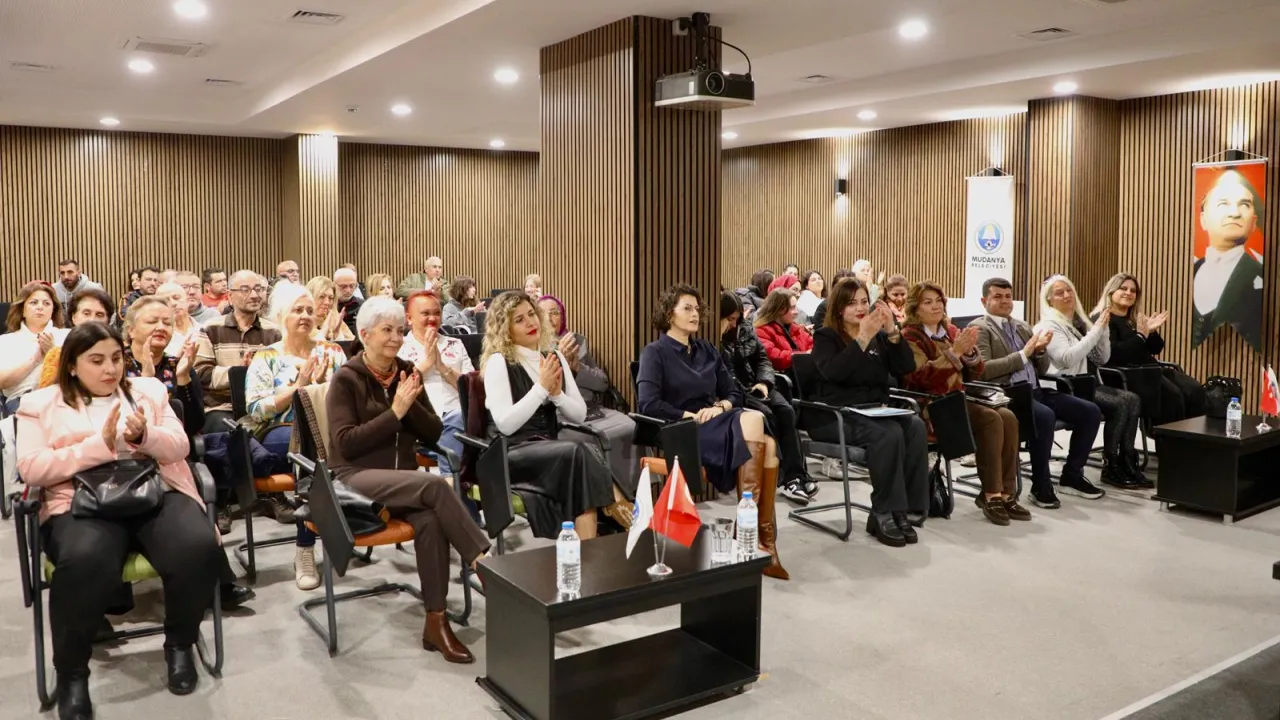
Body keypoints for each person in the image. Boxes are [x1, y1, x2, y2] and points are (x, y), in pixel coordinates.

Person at [16, 323, 223, 716]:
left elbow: (180, 446)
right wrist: (99, 446)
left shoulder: (149, 391)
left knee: (197, 546)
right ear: (72, 365)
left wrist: (145, 437)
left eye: (115, 358)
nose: (109, 369)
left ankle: (180, 644)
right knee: (84, 559)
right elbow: (32, 468)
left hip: (156, 491)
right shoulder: (39, 404)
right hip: (79, 503)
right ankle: (73, 674)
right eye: (96, 360)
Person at [327, 297, 491, 664]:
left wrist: (409, 404)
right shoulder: (346, 378)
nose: (396, 338)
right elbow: (345, 444)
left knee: (430, 520)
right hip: (353, 480)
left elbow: (433, 432)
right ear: (364, 334)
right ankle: (484, 564)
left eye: (400, 330)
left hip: (399, 481)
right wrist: (395, 411)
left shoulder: (405, 372)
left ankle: (436, 621)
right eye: (387, 330)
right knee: (434, 485)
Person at [637, 284, 788, 579]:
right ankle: (755, 539)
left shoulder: (706, 349)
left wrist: (719, 407)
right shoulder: (654, 353)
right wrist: (691, 416)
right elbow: (648, 404)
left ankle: (757, 537)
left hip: (716, 420)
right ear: (669, 314)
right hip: (681, 428)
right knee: (756, 423)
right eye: (687, 308)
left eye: (697, 309)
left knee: (767, 442)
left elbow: (733, 392)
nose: (695, 314)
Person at [481, 292, 626, 540]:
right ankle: (616, 504)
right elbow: (505, 425)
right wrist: (541, 388)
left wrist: (557, 395)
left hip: (549, 449)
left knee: (580, 459)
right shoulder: (498, 362)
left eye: (531, 314)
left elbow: (579, 415)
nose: (530, 322)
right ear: (505, 330)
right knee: (577, 452)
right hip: (509, 452)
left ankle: (585, 552)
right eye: (519, 320)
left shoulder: (554, 356)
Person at [809, 278, 928, 546]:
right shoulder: (826, 337)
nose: (861, 308)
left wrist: (893, 331)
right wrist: (862, 337)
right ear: (839, 308)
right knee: (888, 434)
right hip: (835, 414)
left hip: (874, 411)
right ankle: (883, 511)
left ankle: (903, 509)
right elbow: (835, 373)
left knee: (915, 427)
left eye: (864, 301)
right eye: (852, 303)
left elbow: (905, 368)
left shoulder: (880, 337)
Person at [901, 281, 1030, 526]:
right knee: (990, 418)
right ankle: (990, 494)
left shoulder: (950, 330)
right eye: (928, 302)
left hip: (958, 400)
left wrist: (970, 354)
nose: (936, 306)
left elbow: (975, 373)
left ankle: (1007, 493)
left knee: (1009, 416)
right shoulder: (910, 336)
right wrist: (955, 353)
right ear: (915, 308)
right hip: (932, 405)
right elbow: (921, 378)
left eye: (939, 301)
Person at [245, 282, 346, 591]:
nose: (305, 316)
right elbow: (256, 409)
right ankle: (305, 548)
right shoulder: (267, 356)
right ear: (281, 316)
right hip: (279, 434)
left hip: (326, 431)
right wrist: (299, 388)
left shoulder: (333, 352)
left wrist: (322, 389)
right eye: (297, 310)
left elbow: (348, 400)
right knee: (310, 449)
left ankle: (344, 526)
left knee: (324, 446)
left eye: (309, 310)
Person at [969, 278, 1103, 509]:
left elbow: (1041, 369)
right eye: (998, 297)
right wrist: (1024, 354)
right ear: (984, 301)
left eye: (1008, 296)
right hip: (1009, 395)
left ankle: (1072, 475)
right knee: (1044, 417)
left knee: (1090, 411)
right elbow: (985, 370)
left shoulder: (1021, 326)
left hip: (1036, 390)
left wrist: (1039, 352)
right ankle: (1041, 485)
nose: (1005, 301)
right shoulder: (980, 328)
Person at [1034, 275, 1147, 491]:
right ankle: (1111, 464)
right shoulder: (1049, 325)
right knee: (1122, 403)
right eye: (1059, 293)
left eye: (1069, 290)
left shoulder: (1077, 322)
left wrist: (1103, 331)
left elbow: (1101, 358)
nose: (1067, 295)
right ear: (1049, 299)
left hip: (1083, 385)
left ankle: (1126, 461)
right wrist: (1095, 331)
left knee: (1133, 399)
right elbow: (1067, 358)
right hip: (1064, 388)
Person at [538, 294, 639, 505]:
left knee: (633, 427)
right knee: (590, 440)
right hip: (560, 415)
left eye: (555, 313)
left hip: (593, 409)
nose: (550, 318)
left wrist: (577, 367)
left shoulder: (576, 341)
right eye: (543, 314)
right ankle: (605, 501)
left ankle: (634, 495)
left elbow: (602, 382)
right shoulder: (533, 348)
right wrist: (560, 362)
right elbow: (544, 396)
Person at [720, 292, 817, 503]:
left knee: (786, 411)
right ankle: (788, 478)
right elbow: (725, 375)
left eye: (737, 318)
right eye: (729, 318)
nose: (734, 323)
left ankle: (797, 476)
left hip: (758, 385)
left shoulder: (746, 329)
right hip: (736, 391)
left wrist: (764, 382)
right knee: (768, 416)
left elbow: (763, 359)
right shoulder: (715, 338)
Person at [1093, 273, 1207, 424]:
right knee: (1173, 396)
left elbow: (1156, 349)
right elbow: (1115, 353)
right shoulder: (1103, 318)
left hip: (1151, 370)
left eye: (1133, 291)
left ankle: (1191, 435)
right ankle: (1166, 437)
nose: (1128, 293)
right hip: (1126, 374)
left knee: (1194, 390)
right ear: (1111, 291)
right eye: (1123, 288)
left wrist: (1151, 332)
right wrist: (1141, 335)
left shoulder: (1134, 319)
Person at [193, 269, 283, 437]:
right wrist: (239, 371)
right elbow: (201, 374)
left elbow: (282, 373)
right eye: (245, 290)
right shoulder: (211, 328)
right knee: (233, 433)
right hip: (221, 408)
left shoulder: (274, 332)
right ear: (230, 295)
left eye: (258, 289)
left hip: (263, 407)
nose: (254, 295)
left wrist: (260, 369)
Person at [398, 290, 472, 478]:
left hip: (458, 418)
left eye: (437, 313)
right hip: (421, 421)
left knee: (457, 419)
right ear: (409, 318)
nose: (432, 318)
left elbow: (470, 388)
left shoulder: (455, 344)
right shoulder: (399, 347)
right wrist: (428, 363)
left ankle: (450, 479)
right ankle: (453, 480)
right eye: (425, 313)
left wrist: (441, 366)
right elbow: (398, 387)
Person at [1192, 169, 1264, 349]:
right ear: (1203, 219)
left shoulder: (1261, 277)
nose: (1234, 213)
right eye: (1223, 204)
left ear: (1254, 222)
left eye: (1244, 205)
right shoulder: (1191, 271)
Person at [122, 296, 204, 437]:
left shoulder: (178, 365)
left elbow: (193, 427)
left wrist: (183, 378)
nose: (161, 327)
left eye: (167, 323)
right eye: (152, 321)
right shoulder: (116, 364)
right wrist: (146, 381)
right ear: (131, 330)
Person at [0, 282, 70, 412]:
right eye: (34, 302)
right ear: (22, 310)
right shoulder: (6, 341)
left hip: (61, 399)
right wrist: (35, 361)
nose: (40, 307)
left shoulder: (67, 336)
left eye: (46, 303)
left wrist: (52, 353)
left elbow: (76, 376)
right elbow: (2, 382)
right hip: (21, 402)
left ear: (53, 310)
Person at [39, 288, 117, 390]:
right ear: (74, 317)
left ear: (108, 321)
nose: (92, 320)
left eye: (99, 315)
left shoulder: (114, 346)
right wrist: (53, 354)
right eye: (86, 313)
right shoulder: (56, 337)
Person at [753, 289, 813, 372]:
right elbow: (774, 357)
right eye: (792, 308)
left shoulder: (795, 328)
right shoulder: (761, 331)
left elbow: (812, 344)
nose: (796, 312)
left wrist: (811, 353)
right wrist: (805, 355)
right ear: (779, 310)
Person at [154, 282, 201, 356]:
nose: (173, 303)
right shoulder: (158, 336)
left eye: (176, 298)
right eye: (166, 301)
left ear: (187, 300)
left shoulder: (203, 330)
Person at [305, 276, 355, 342]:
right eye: (322, 297)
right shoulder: (301, 321)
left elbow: (354, 344)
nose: (327, 302)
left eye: (331, 298)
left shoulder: (335, 320)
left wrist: (338, 335)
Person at [334, 267, 363, 336]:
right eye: (343, 286)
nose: (348, 290)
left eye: (352, 286)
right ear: (334, 285)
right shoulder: (328, 305)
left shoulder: (363, 306)